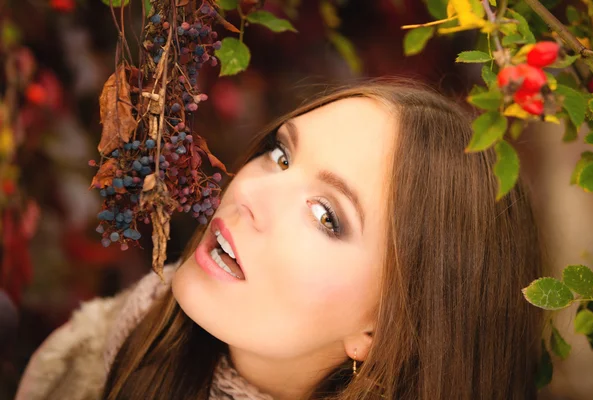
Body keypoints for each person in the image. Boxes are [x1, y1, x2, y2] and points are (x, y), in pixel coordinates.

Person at [16, 79, 545, 400]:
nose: (253, 192)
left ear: (384, 329)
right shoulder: (89, 360)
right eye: (281, 155)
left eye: (325, 215)